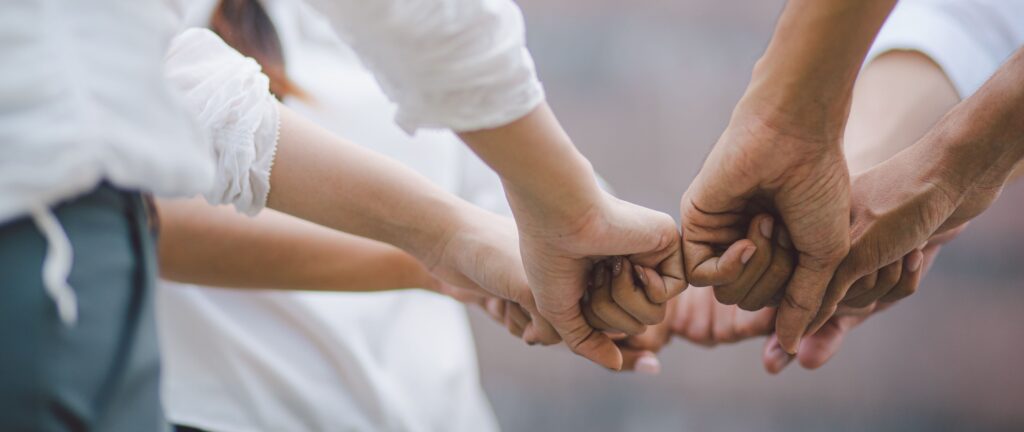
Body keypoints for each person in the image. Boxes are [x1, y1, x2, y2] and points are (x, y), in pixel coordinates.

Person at [157, 1, 527, 430]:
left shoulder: (437, 22)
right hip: (246, 409)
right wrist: (433, 260)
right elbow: (157, 219)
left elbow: (501, 202)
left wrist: (567, 274)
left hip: (438, 410)